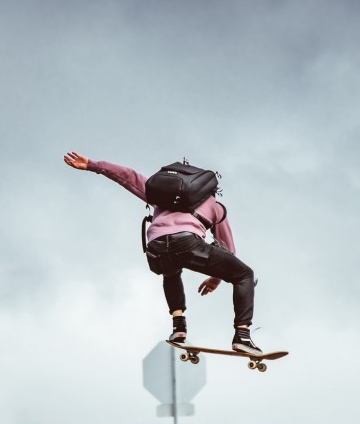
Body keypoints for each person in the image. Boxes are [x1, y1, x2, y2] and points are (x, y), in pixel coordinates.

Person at [63, 151, 262, 354]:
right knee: (244, 274)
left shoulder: (161, 195)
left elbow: (127, 175)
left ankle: (179, 328)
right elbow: (228, 250)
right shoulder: (216, 207)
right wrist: (215, 278)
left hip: (155, 250)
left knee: (171, 269)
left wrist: (92, 164)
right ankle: (242, 337)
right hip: (187, 244)